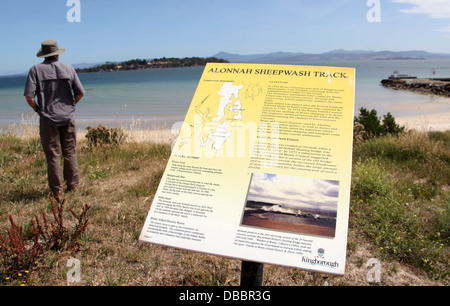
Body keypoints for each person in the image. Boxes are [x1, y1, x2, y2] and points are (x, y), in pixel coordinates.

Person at [24, 39, 85, 196]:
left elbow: (29, 97)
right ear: (57, 54)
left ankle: (56, 190)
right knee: (70, 152)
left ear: (43, 55)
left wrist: (38, 110)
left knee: (53, 154)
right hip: (67, 117)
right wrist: (70, 106)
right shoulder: (68, 68)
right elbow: (80, 93)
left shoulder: (35, 70)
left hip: (48, 118)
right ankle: (73, 186)